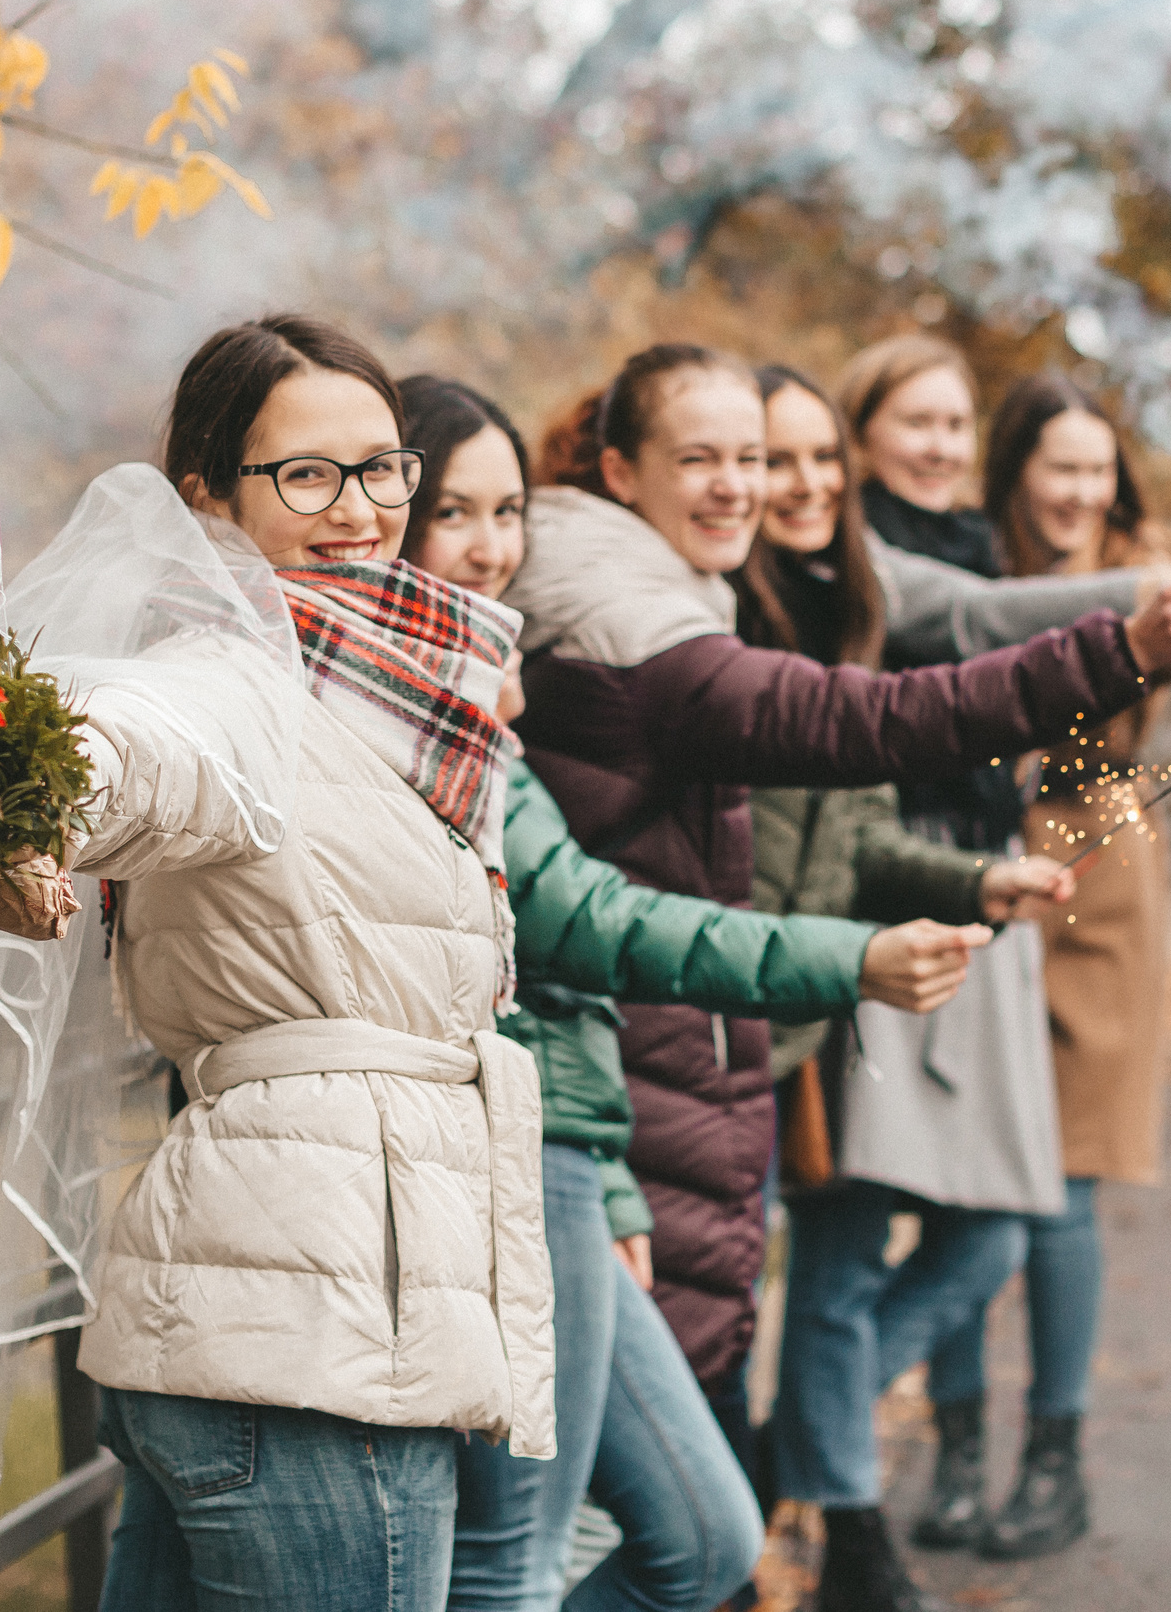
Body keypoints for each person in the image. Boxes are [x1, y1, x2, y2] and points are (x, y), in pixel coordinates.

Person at [501, 341, 1171, 1549]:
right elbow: (874, 725)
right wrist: (1122, 649)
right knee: (653, 1526)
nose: (751, 485)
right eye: (715, 458)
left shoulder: (703, 596)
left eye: (768, 458)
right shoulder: (648, 635)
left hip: (709, 1050)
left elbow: (848, 802)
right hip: (674, 1051)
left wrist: (968, 879)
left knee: (676, 1494)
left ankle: (825, 1490)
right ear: (621, 470)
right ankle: (834, 1501)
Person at [389, 371, 992, 1611]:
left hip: (592, 1134)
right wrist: (852, 959)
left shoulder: (494, 685)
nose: (491, 546)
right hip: (515, 1149)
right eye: (455, 513)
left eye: (508, 513)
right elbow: (578, 921)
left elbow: (553, 974)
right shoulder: (443, 699)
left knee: (705, 1540)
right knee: (519, 1561)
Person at [76, 315, 553, 1610]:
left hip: (267, 1314)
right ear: (205, 501)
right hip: (321, 1345)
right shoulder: (233, 669)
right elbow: (133, 749)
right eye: (305, 475)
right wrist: (6, 788)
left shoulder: (401, 676)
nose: (358, 510)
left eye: (382, 467)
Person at [893, 374, 1171, 1563]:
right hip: (977, 858)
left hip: (1099, 861)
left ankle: (1055, 1456)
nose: (1081, 493)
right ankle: (959, 1444)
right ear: (1017, 477)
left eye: (1097, 471)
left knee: (1066, 1179)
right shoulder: (973, 571)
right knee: (966, 1173)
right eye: (1059, 471)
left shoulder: (1148, 563)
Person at [736, 364, 1090, 1612]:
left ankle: (793, 1456)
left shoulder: (868, 587)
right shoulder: (818, 591)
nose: (808, 485)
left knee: (986, 1226)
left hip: (938, 913)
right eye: (912, 424)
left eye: (815, 461)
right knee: (840, 1239)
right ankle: (848, 1528)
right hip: (836, 956)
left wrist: (986, 878)